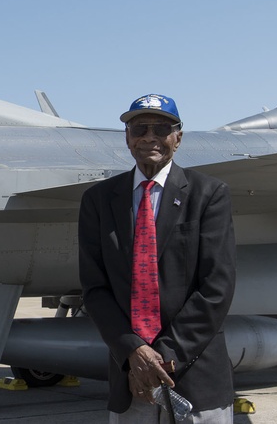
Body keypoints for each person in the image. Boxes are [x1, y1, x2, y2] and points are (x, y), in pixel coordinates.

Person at [78, 94, 236, 423]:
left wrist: (160, 358)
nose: (149, 137)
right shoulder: (99, 200)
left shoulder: (209, 194)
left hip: (197, 377)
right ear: (127, 138)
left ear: (178, 137)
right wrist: (133, 353)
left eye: (161, 128)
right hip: (129, 379)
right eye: (139, 128)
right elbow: (95, 288)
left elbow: (216, 287)